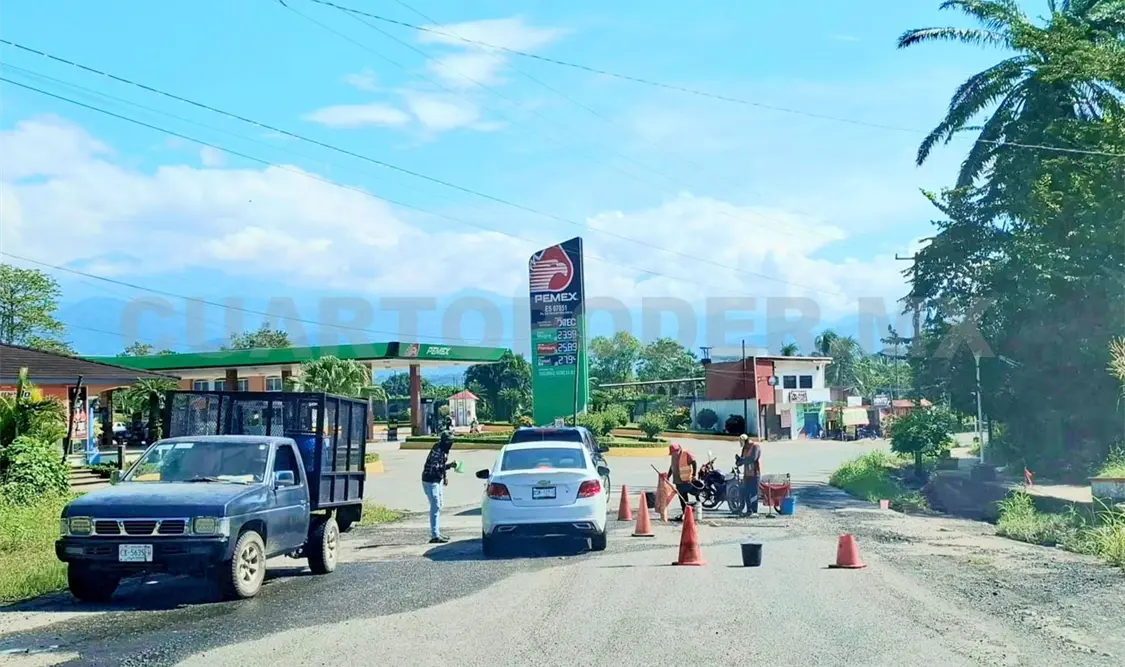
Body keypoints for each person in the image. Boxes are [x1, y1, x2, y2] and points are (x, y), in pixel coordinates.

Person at [421, 431, 459, 543]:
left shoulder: (444, 450)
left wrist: (445, 476)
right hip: (430, 481)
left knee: (439, 505)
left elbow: (441, 464)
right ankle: (435, 535)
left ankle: (436, 532)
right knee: (435, 506)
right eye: (449, 441)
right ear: (444, 441)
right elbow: (436, 468)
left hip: (438, 480)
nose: (451, 443)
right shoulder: (437, 450)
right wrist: (450, 466)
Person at [666, 443, 699, 522]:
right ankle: (685, 513)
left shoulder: (686, 453)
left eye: (675, 452)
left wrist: (694, 474)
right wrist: (668, 475)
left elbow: (694, 462)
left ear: (679, 449)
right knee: (682, 498)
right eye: (673, 453)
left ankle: (694, 510)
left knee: (693, 494)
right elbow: (672, 466)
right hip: (678, 481)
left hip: (686, 480)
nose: (674, 454)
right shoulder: (674, 456)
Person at [735, 434, 762, 517]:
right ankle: (749, 510)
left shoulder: (755, 447)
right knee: (746, 492)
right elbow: (741, 461)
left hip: (755, 474)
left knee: (754, 493)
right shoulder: (744, 449)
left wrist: (742, 460)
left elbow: (753, 458)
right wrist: (738, 461)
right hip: (747, 474)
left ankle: (754, 510)